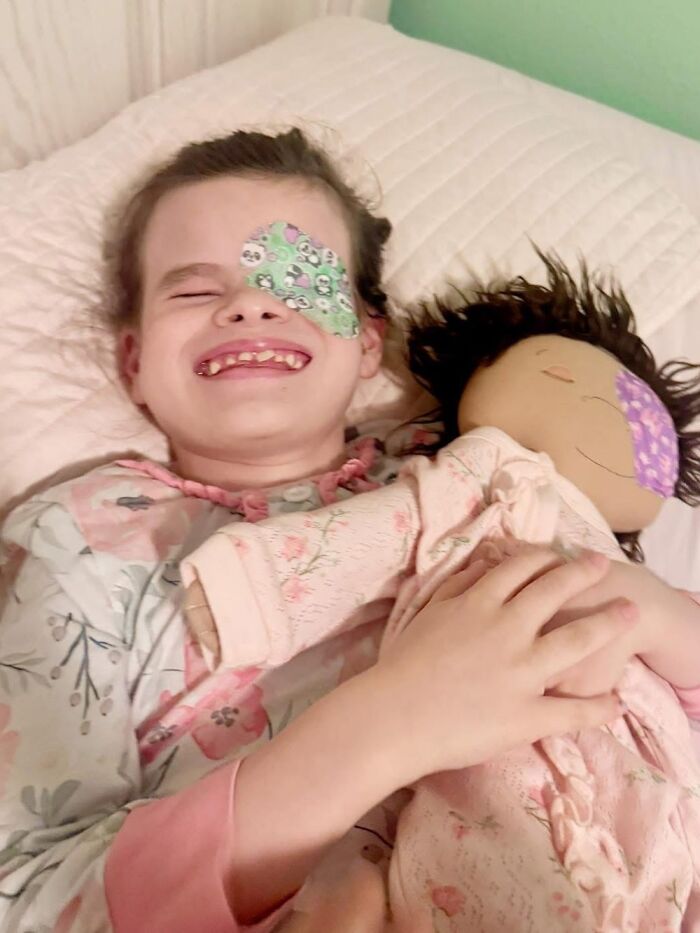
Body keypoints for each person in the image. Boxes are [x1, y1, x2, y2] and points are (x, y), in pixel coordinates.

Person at [0, 127, 634, 933]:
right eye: (194, 292)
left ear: (370, 340)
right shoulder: (78, 535)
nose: (250, 302)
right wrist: (389, 725)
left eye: (298, 282)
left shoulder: (467, 473)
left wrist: (641, 605)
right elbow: (26, 893)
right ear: (133, 360)